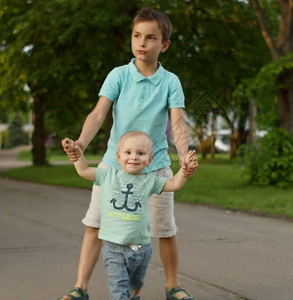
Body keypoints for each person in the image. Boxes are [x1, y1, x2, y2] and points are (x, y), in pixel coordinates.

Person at [59, 7, 198, 300]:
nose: (142, 43)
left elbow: (177, 123)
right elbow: (98, 114)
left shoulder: (171, 82)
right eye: (137, 35)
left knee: (165, 229)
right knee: (95, 225)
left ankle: (173, 287)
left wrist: (184, 154)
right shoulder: (119, 75)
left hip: (155, 167)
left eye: (150, 37)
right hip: (114, 167)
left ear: (165, 44)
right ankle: (80, 288)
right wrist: (82, 143)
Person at [63, 131, 197, 300]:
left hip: (142, 248)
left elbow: (174, 184)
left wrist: (185, 171)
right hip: (114, 250)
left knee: (136, 283)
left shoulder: (150, 180)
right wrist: (76, 155)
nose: (134, 157)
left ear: (149, 160)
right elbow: (83, 170)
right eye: (128, 153)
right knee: (119, 291)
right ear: (118, 157)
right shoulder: (107, 175)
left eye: (140, 153)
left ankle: (135, 294)